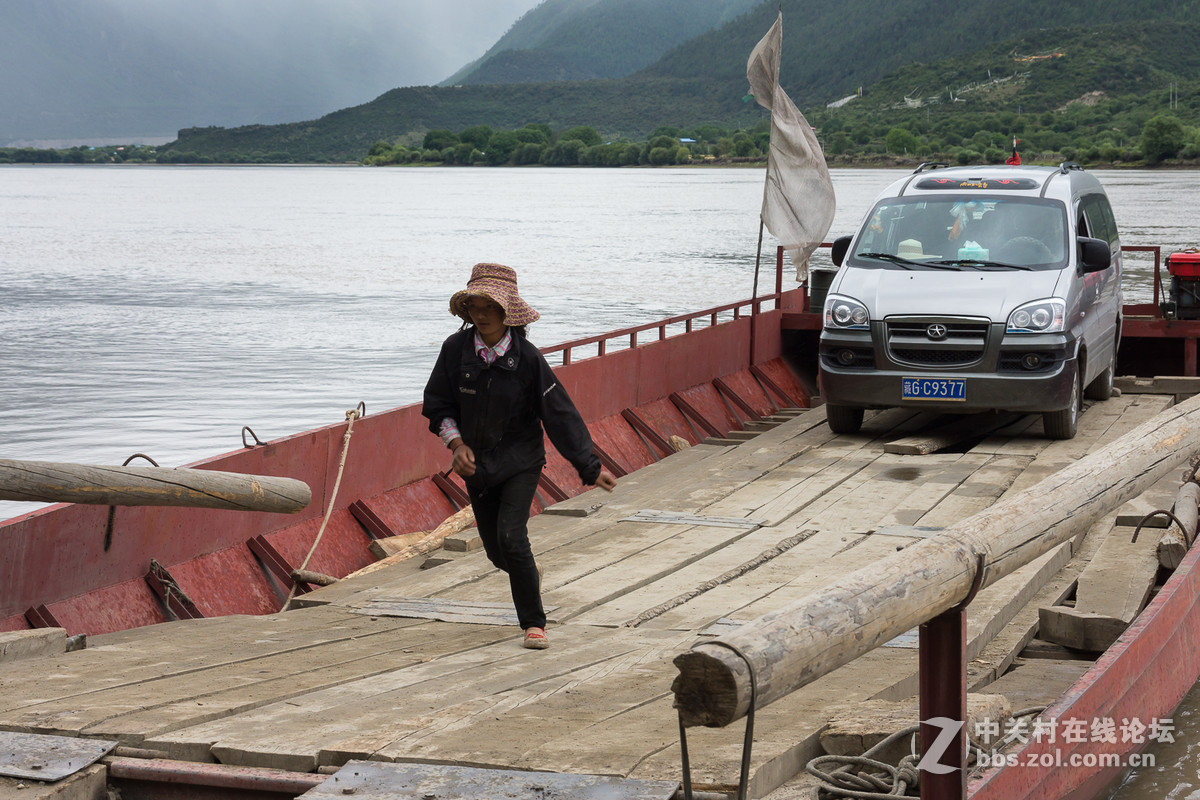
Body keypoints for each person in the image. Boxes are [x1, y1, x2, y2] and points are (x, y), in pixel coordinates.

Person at [422, 262, 617, 651]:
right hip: (477, 467)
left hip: (521, 462)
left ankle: (534, 623)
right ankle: (528, 572)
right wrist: (456, 445)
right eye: (475, 306)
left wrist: (589, 466)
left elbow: (559, 415)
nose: (482, 315)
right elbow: (438, 405)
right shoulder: (455, 350)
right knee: (497, 550)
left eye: (491, 307)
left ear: (508, 312)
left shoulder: (527, 359)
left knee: (512, 537)